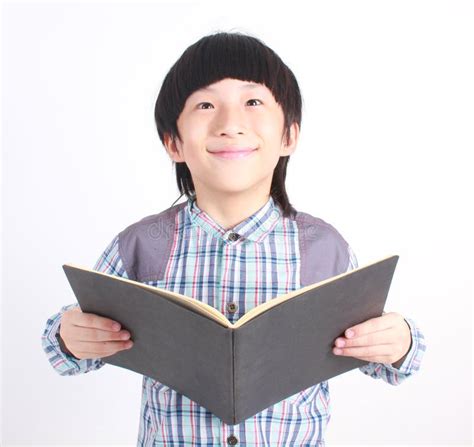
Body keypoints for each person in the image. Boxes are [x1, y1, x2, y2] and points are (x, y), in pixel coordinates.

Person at [42, 31, 426, 446]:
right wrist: (69, 335)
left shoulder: (322, 249)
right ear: (173, 142)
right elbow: (70, 354)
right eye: (205, 105)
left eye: (253, 102)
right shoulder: (142, 246)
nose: (230, 124)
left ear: (288, 136)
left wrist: (399, 341)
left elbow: (381, 360)